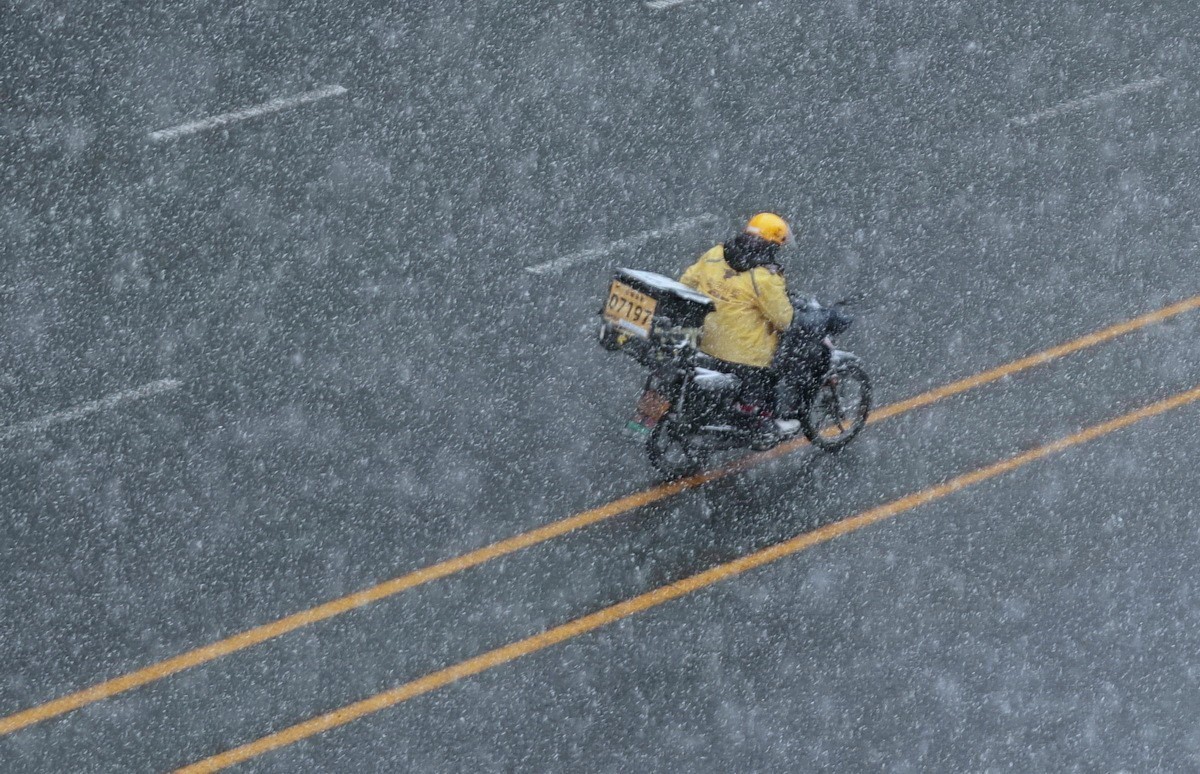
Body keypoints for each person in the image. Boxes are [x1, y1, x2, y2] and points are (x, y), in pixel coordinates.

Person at [679, 212, 802, 440]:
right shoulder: (765, 277)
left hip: (705, 342)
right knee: (779, 365)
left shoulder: (716, 254)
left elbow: (686, 282)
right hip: (742, 357)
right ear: (772, 245)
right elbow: (784, 320)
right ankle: (762, 419)